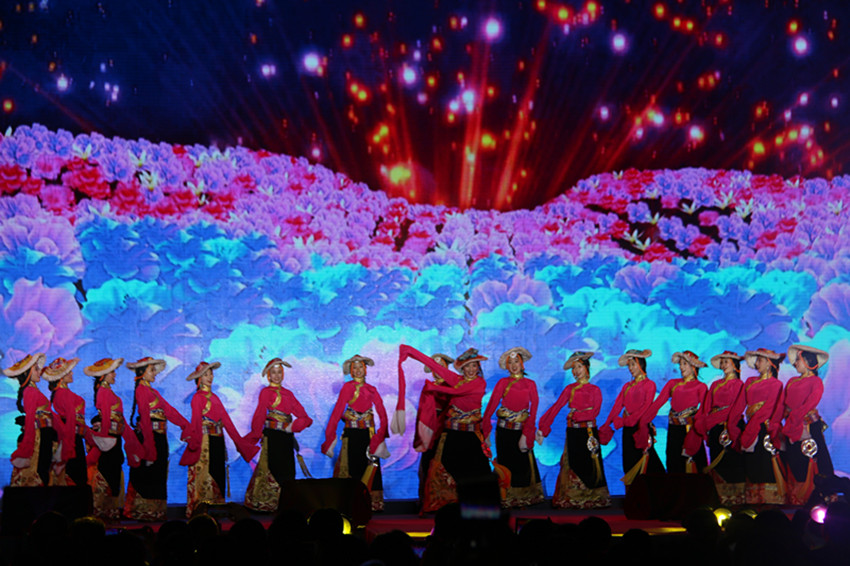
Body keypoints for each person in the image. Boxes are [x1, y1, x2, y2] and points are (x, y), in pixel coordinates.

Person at [398, 345, 492, 513]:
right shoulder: (458, 379)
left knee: (477, 473)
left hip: (471, 436)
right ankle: (447, 506)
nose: (471, 369)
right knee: (446, 469)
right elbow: (435, 367)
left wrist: (434, 387)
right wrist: (411, 352)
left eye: (474, 365)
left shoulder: (479, 383)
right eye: (467, 366)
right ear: (462, 368)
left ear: (478, 367)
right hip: (453, 434)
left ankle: (480, 509)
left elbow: (458, 391)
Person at [180, 361, 258, 517]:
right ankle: (200, 511)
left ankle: (216, 509)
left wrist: (241, 443)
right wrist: (194, 442)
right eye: (205, 375)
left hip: (218, 441)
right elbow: (196, 422)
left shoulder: (215, 397)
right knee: (204, 476)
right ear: (199, 378)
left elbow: (228, 423)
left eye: (211, 374)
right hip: (204, 442)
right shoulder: (197, 398)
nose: (210, 377)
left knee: (218, 474)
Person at [539, 351, 610, 509]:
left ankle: (593, 497)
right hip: (573, 432)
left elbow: (595, 412)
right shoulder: (570, 389)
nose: (576, 371)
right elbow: (556, 407)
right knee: (573, 463)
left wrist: (577, 415)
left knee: (590, 465)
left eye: (579, 366)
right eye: (574, 368)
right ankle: (573, 498)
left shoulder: (594, 390)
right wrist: (544, 425)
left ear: (586, 368)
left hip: (589, 432)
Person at [321, 354, 390, 511]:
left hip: (369, 434)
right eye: (355, 368)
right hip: (352, 433)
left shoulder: (372, 389)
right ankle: (352, 503)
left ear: (365, 370)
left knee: (371, 466)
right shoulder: (347, 387)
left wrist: (381, 434)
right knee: (353, 467)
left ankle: (372, 503)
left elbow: (382, 412)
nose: (358, 370)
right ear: (351, 371)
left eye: (361, 367)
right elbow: (338, 410)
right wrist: (330, 436)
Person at [244, 357, 314, 512]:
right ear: (269, 375)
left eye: (279, 372)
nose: (277, 375)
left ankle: (286, 503)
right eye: (274, 372)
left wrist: (293, 427)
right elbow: (260, 414)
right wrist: (256, 434)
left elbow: (305, 417)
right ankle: (269, 503)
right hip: (272, 436)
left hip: (286, 437)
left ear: (283, 374)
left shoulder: (288, 394)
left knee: (287, 470)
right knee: (272, 468)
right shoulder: (265, 392)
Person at [125, 357, 190, 521]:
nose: (155, 373)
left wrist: (186, 425)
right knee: (148, 474)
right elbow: (145, 420)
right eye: (152, 370)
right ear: (142, 372)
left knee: (159, 473)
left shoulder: (153, 391)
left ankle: (156, 511)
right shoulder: (141, 390)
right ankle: (143, 510)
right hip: (150, 437)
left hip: (159, 437)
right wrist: (149, 447)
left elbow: (170, 411)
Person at [481, 347, 544, 507]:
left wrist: (528, 432)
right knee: (505, 463)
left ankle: (525, 496)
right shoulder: (503, 383)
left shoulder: (530, 384)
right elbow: (491, 405)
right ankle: (507, 497)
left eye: (517, 361)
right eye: (511, 363)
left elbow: (533, 410)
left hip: (521, 430)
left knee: (523, 464)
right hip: (504, 431)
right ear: (507, 366)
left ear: (522, 364)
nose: (514, 365)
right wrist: (486, 429)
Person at [84, 357, 144, 520]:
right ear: (104, 375)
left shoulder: (107, 391)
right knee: (108, 473)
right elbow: (105, 420)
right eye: (112, 372)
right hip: (109, 440)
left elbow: (120, 420)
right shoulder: (103, 392)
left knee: (113, 472)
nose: (115, 375)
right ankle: (103, 510)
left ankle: (109, 510)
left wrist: (131, 440)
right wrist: (103, 439)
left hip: (114, 439)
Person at [728, 348, 787, 505]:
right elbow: (739, 405)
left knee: (765, 464)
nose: (756, 363)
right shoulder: (749, 382)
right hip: (750, 426)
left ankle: (770, 502)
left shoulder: (776, 384)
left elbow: (770, 408)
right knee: (751, 464)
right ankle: (753, 501)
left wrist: (753, 427)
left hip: (764, 428)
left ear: (769, 363)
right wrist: (732, 425)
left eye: (760, 360)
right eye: (757, 360)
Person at [598, 349, 664, 487]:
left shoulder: (650, 385)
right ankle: (634, 494)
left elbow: (645, 408)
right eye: (629, 365)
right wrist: (607, 424)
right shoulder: (627, 386)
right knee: (629, 462)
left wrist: (625, 421)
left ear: (641, 364)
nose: (630, 368)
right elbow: (617, 406)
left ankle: (654, 492)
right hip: (628, 429)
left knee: (647, 462)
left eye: (633, 364)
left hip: (641, 429)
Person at [782, 344, 833, 506]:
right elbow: (784, 403)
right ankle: (796, 497)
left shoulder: (816, 381)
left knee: (812, 458)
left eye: (798, 360)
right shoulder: (791, 381)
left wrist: (795, 416)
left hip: (807, 425)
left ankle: (815, 496)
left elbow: (811, 402)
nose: (795, 363)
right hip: (791, 424)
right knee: (794, 458)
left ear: (808, 361)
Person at [642, 351, 708, 474]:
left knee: (694, 464)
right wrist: (644, 420)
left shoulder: (700, 386)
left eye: (684, 364)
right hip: (673, 429)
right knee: (673, 462)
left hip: (690, 429)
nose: (681, 367)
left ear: (693, 366)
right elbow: (658, 403)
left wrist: (696, 431)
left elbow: (704, 410)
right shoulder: (672, 383)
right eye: (680, 364)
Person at [697, 351, 746, 506]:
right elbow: (707, 406)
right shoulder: (715, 384)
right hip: (715, 426)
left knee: (732, 462)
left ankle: (736, 500)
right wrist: (706, 422)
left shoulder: (739, 384)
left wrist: (721, 418)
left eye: (727, 362)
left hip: (731, 425)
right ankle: (719, 499)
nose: (724, 365)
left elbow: (737, 407)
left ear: (734, 364)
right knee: (716, 461)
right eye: (722, 362)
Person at [5, 353, 56, 487]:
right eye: (36, 369)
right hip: (38, 436)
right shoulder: (30, 391)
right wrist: (27, 446)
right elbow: (30, 419)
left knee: (42, 470)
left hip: (42, 433)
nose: (40, 372)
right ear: (27, 372)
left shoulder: (32, 389)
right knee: (39, 471)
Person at [413, 353, 454, 502]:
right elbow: (422, 412)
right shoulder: (428, 386)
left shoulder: (453, 386)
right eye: (434, 367)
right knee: (428, 461)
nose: (438, 370)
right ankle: (428, 499)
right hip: (430, 429)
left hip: (447, 428)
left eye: (441, 366)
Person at [45, 357, 91, 487]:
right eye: (69, 372)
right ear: (61, 376)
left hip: (70, 436)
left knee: (71, 475)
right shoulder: (64, 394)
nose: (72, 373)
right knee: (76, 476)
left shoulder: (59, 393)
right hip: (71, 438)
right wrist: (70, 446)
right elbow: (71, 420)